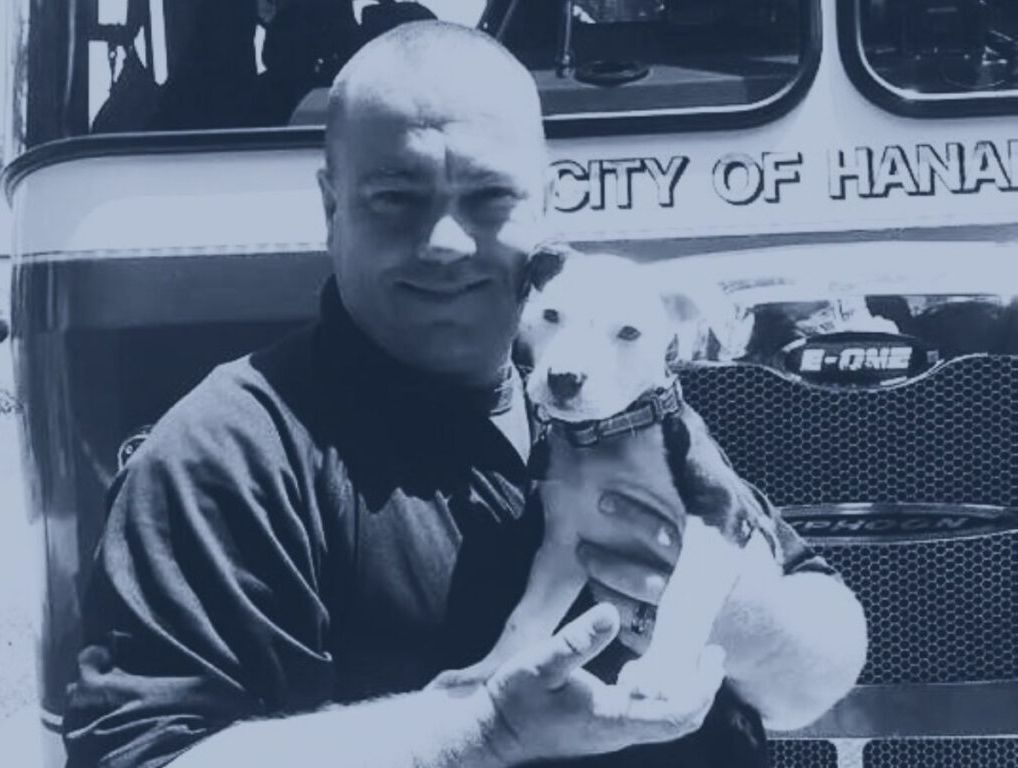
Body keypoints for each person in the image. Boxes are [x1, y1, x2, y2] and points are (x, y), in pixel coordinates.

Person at [63, 21, 868, 768]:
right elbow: (150, 756)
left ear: (548, 206)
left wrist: (732, 614)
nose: (445, 242)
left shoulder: (626, 399)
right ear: (330, 205)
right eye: (397, 198)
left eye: (489, 198)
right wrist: (481, 731)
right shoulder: (232, 451)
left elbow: (817, 673)